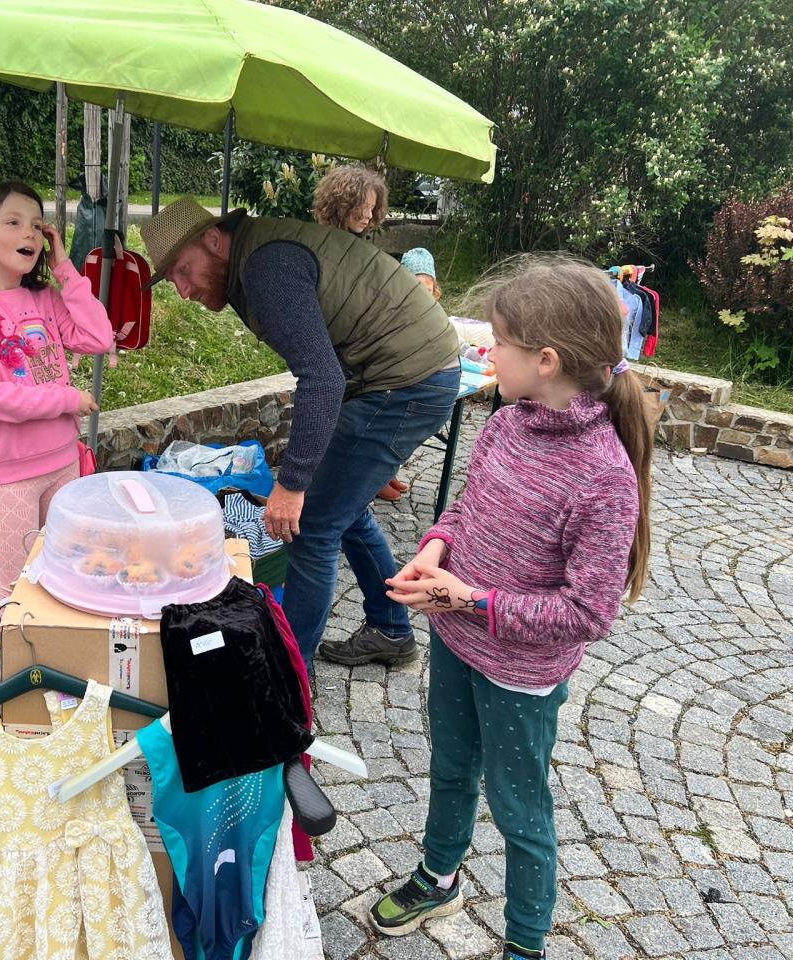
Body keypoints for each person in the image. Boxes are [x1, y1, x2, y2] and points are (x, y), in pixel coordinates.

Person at [367, 257, 653, 960]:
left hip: (520, 678)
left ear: (546, 360)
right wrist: (435, 549)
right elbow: (467, 508)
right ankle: (439, 877)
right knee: (450, 768)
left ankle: (526, 941)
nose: (488, 352)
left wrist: (470, 598)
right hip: (456, 641)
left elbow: (588, 613)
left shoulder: (605, 477)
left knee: (520, 809)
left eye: (499, 342)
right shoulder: (506, 423)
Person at [140, 196, 461, 666]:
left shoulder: (265, 268)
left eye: (184, 271)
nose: (184, 290)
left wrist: (291, 484)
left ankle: (292, 670)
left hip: (407, 378)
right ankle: (391, 628)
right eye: (174, 280)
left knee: (312, 527)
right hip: (404, 370)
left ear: (213, 240)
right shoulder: (253, 257)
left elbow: (322, 379)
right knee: (342, 508)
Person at [0, 180, 113, 802]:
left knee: (65, 586)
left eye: (36, 224)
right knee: (12, 595)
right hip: (11, 471)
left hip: (65, 463)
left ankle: (48, 712)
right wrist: (65, 398)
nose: (29, 234)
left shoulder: (45, 299)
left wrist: (66, 268)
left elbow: (99, 336)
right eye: (12, 222)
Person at [311, 166, 409, 504]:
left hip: (368, 347)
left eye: (372, 208)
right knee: (340, 420)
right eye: (361, 208)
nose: (368, 216)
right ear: (341, 204)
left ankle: (375, 476)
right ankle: (362, 479)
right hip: (340, 345)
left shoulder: (358, 246)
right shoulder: (324, 246)